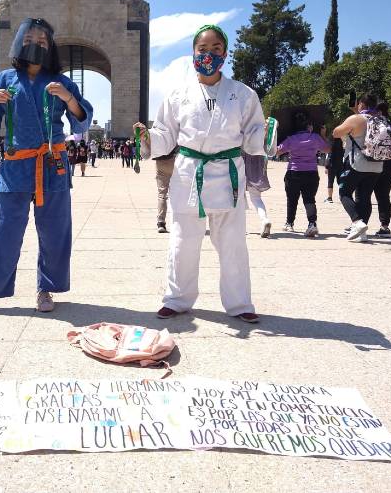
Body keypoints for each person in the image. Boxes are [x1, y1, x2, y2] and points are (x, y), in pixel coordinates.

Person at [0, 17, 92, 316]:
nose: (36, 44)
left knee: (54, 231)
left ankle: (46, 289)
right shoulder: (5, 78)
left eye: (42, 41)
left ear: (50, 47)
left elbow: (82, 118)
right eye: (29, 40)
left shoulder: (62, 82)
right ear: (18, 43)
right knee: (4, 230)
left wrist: (68, 98)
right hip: (15, 165)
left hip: (53, 163)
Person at [136, 24, 266, 323]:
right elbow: (165, 135)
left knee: (233, 242)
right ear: (193, 53)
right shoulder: (178, 95)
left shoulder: (243, 94)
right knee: (183, 241)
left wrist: (266, 133)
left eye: (216, 49)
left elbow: (253, 134)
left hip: (229, 172)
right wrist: (148, 139)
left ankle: (240, 303)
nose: (209, 54)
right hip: (189, 173)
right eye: (203, 49)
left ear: (226, 53)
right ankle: (177, 299)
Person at [333, 93, 384, 242]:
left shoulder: (356, 119)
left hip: (357, 163)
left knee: (344, 193)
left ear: (361, 104)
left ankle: (357, 222)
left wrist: (352, 117)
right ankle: (362, 233)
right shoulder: (381, 119)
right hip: (376, 164)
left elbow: (336, 133)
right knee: (364, 197)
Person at [276, 112, 331, 237]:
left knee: (292, 199)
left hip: (293, 172)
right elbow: (327, 149)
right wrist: (323, 135)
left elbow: (277, 152)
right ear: (309, 126)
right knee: (309, 199)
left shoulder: (291, 139)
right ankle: (312, 224)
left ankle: (289, 223)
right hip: (311, 173)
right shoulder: (315, 137)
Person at [372, 101, 391, 237]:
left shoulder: (374, 124)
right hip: (390, 165)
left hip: (373, 164)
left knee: (363, 194)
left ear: (378, 111)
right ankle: (385, 226)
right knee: (384, 196)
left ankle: (359, 223)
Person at [154, 147, 177, 233]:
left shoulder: (158, 132)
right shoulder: (176, 132)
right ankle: (179, 222)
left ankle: (161, 223)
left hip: (161, 162)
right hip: (175, 161)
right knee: (178, 193)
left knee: (162, 195)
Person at [324, 137, 344, 203]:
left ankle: (330, 198)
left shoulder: (331, 146)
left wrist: (326, 166)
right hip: (340, 165)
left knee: (330, 181)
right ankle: (343, 196)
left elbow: (329, 156)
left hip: (332, 166)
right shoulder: (341, 147)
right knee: (340, 182)